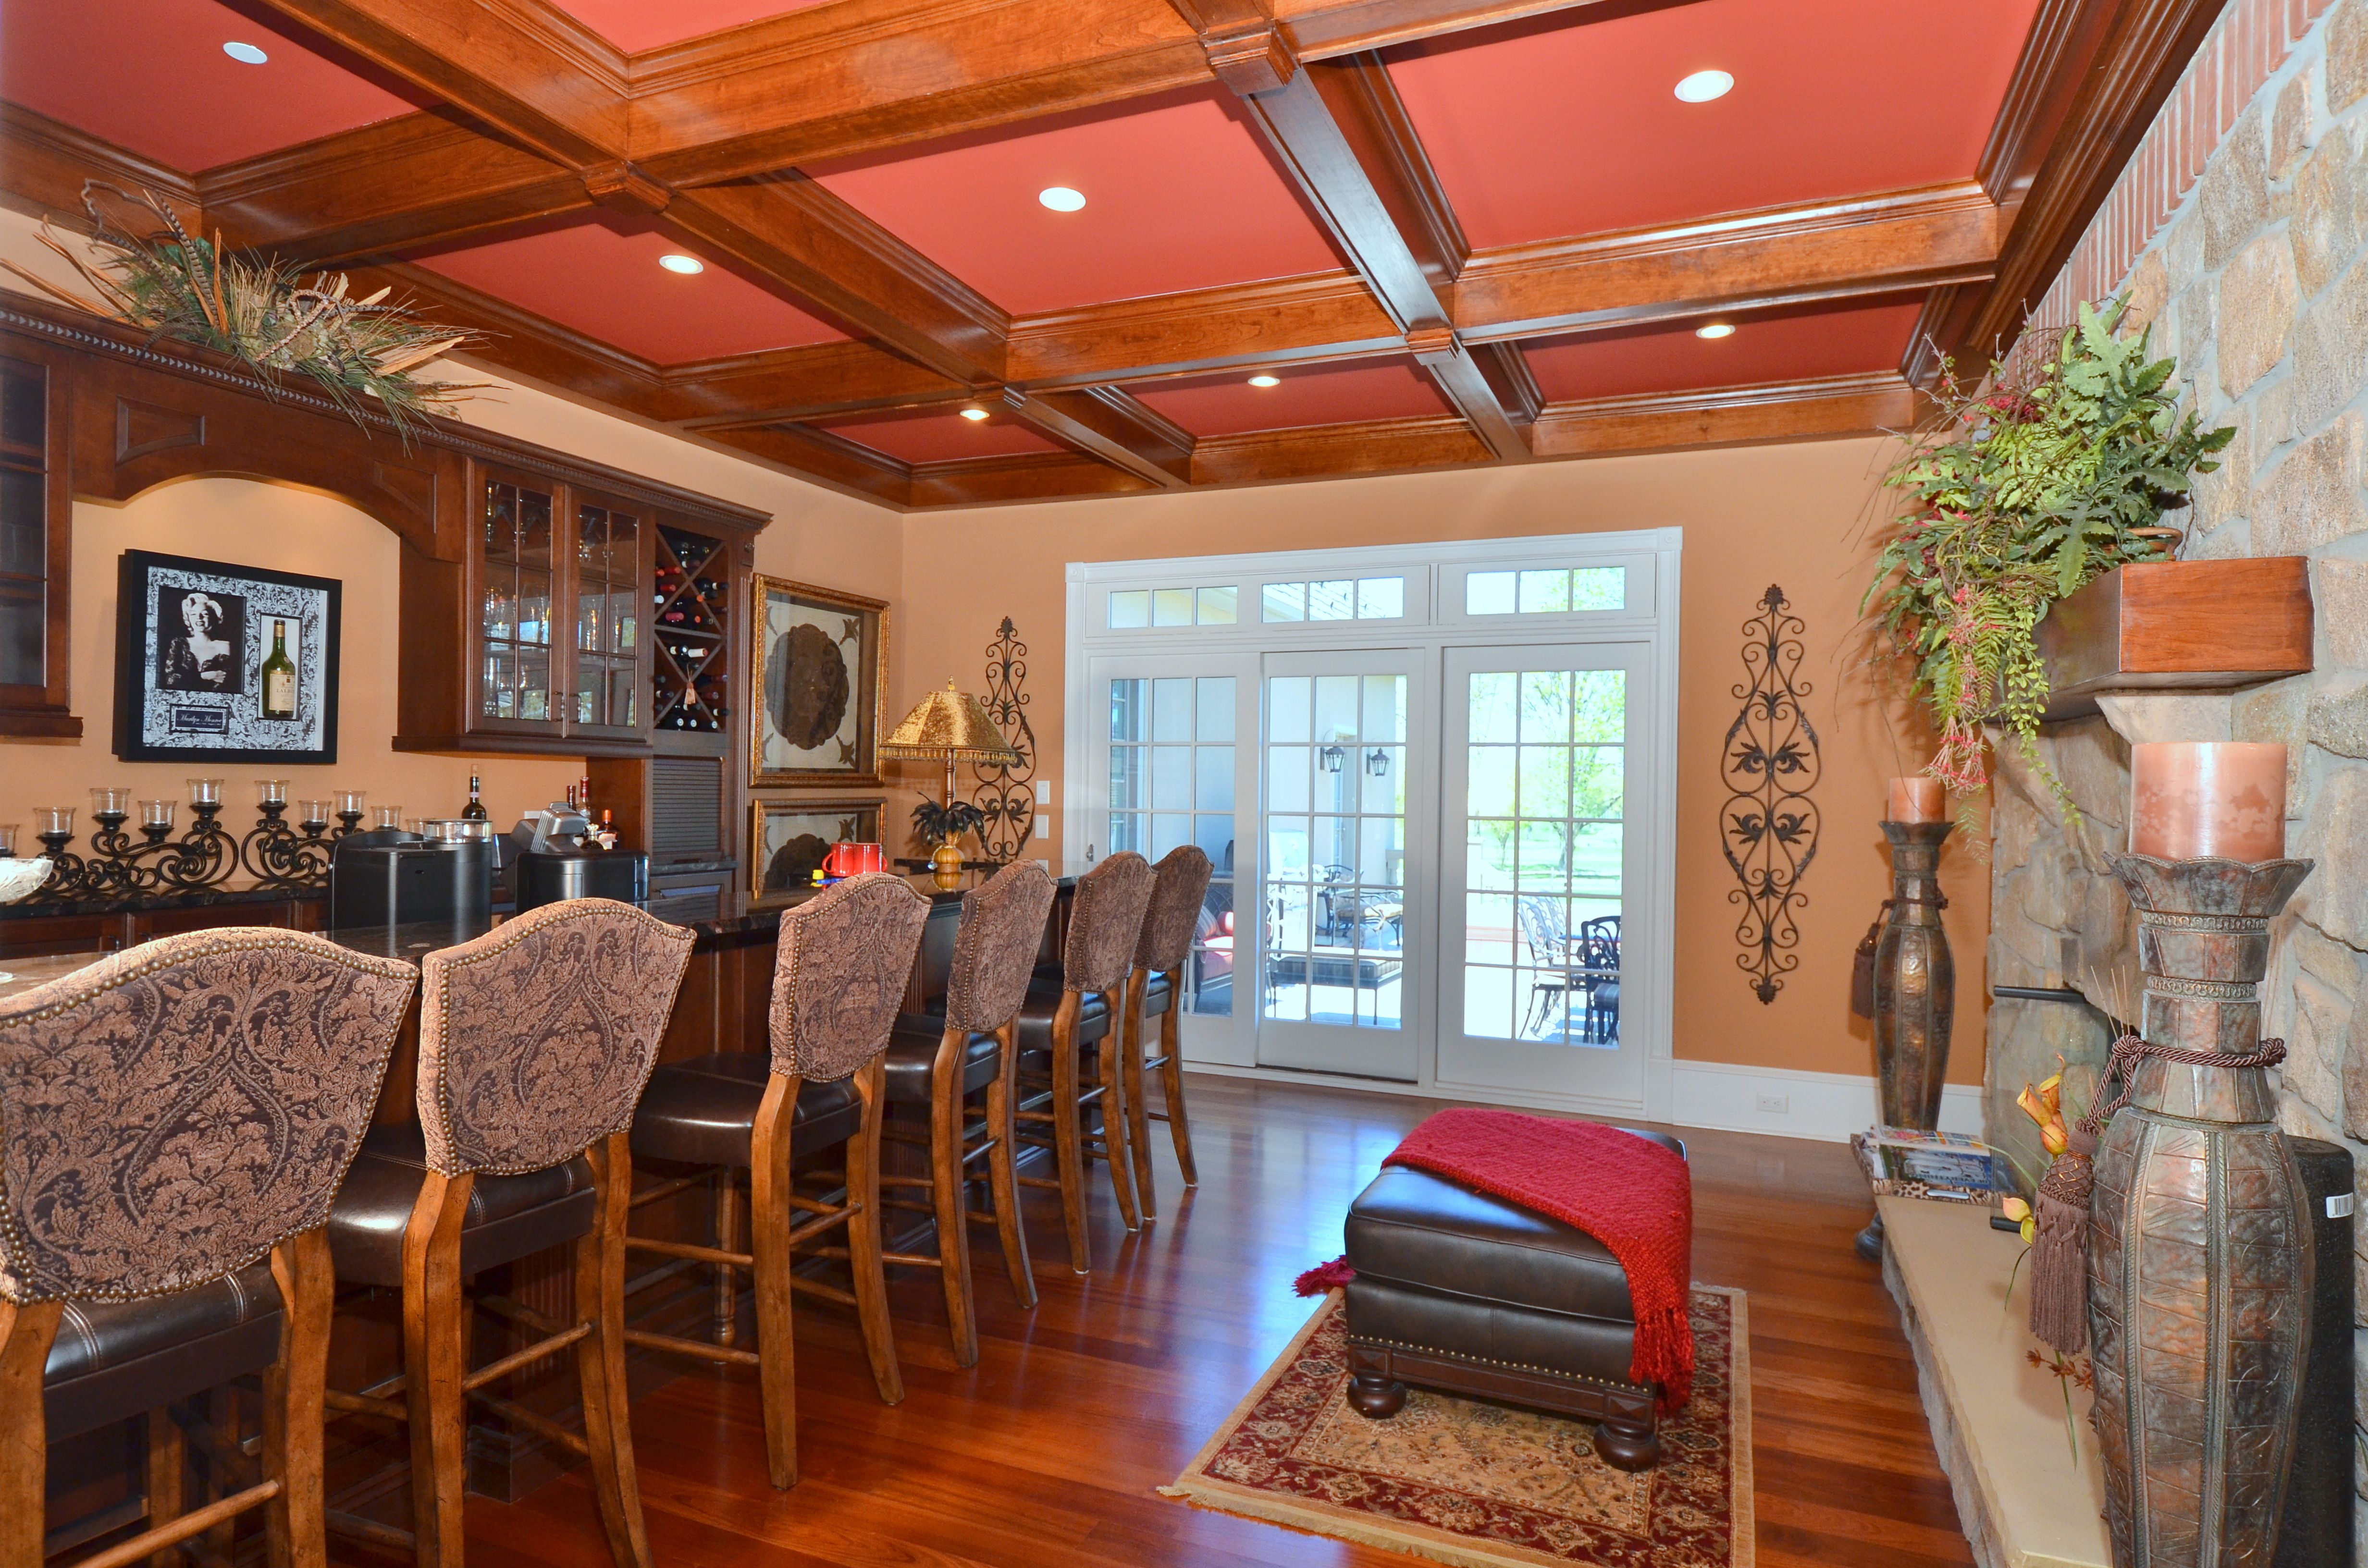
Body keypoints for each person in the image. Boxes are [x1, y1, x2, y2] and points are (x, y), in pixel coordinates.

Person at [159, 591, 237, 692]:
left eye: (205, 614)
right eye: (193, 614)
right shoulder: (179, 644)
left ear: (213, 617)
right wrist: (204, 676)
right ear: (188, 619)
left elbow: (228, 682)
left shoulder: (225, 646)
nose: (199, 618)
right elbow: (170, 680)